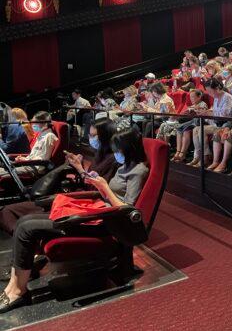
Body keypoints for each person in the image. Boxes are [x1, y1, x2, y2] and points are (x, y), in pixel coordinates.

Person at [0, 127, 148, 313]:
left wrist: (104, 187)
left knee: (27, 227)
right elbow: (107, 194)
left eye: (118, 149)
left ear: (129, 148)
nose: (116, 152)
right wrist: (97, 183)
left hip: (107, 221)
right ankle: (15, 283)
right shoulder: (124, 165)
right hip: (97, 208)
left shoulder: (139, 170)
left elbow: (127, 209)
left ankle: (17, 291)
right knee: (23, 222)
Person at [0, 119, 118, 237]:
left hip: (83, 201)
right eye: (89, 134)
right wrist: (79, 167)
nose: (90, 138)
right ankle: (26, 239)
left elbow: (96, 190)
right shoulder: (99, 154)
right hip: (77, 195)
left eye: (93, 135)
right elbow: (90, 182)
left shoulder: (113, 159)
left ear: (105, 137)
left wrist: (80, 171)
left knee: (22, 223)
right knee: (6, 212)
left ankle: (27, 239)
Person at [189, 78, 232, 167]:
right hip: (217, 123)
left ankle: (206, 157)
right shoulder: (216, 98)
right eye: (208, 91)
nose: (209, 94)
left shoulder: (227, 97)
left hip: (226, 124)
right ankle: (200, 156)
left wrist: (209, 112)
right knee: (196, 129)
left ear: (217, 88)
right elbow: (214, 111)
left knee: (201, 130)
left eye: (210, 91)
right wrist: (205, 112)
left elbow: (227, 114)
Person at [0, 111, 57, 179]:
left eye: (34, 122)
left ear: (43, 123)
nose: (32, 124)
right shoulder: (40, 135)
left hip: (34, 169)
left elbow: (43, 160)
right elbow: (34, 155)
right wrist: (24, 159)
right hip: (28, 165)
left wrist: (25, 160)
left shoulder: (49, 136)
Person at [170, 89, 209, 162]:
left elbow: (203, 114)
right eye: (190, 97)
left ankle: (182, 154)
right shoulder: (191, 106)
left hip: (198, 123)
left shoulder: (203, 104)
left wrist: (195, 110)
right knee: (179, 129)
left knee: (185, 130)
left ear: (199, 97)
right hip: (190, 122)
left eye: (193, 97)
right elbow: (185, 115)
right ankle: (178, 152)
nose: (191, 99)